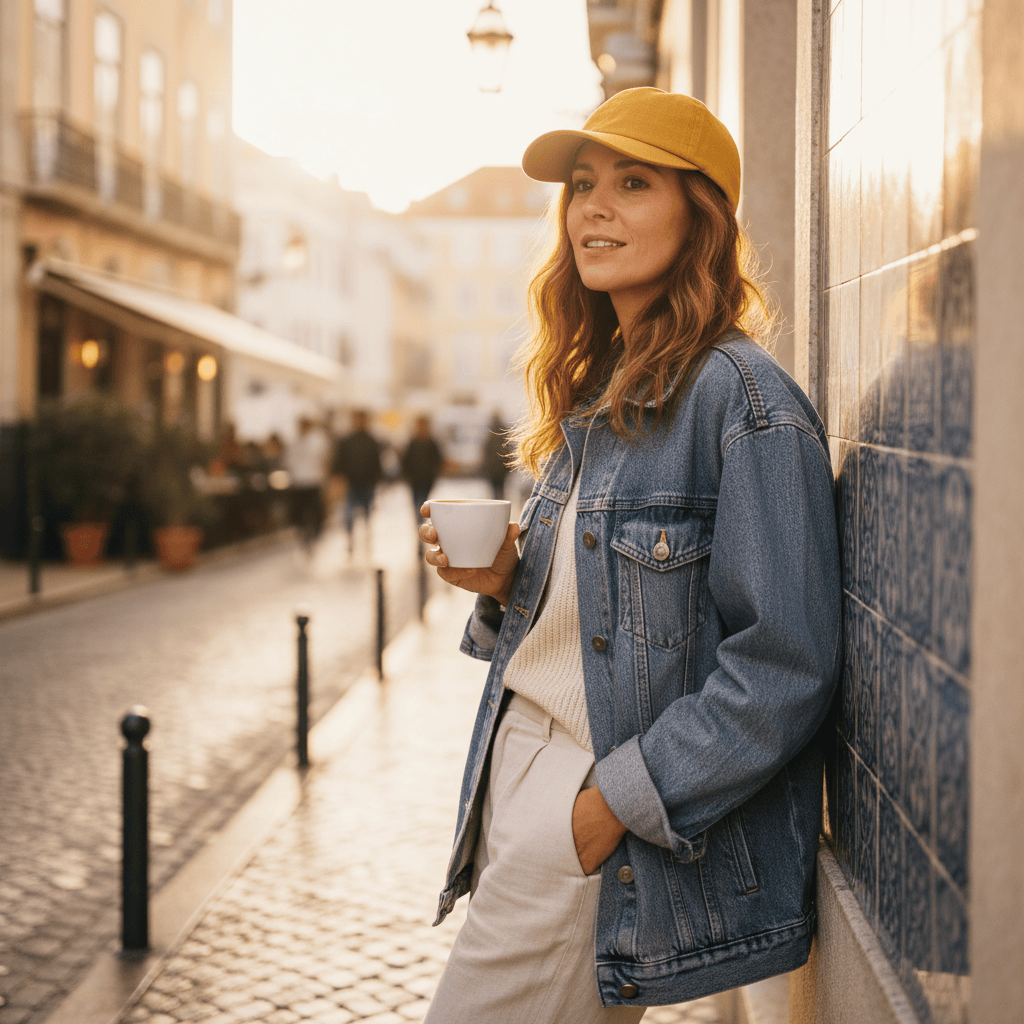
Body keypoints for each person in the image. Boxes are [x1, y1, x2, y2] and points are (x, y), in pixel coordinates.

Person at [417, 88, 841, 1022]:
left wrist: (608, 806)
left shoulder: (744, 404)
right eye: (582, 185)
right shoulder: (607, 386)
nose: (593, 209)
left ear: (701, 217)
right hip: (521, 780)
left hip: (590, 807)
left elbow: (786, 664)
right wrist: (505, 585)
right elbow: (607, 619)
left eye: (634, 183)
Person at [331, 409, 382, 554]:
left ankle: (367, 538)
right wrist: (338, 478)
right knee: (349, 516)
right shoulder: (346, 441)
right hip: (351, 484)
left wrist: (376, 480)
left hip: (368, 484)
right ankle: (350, 540)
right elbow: (339, 462)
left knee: (368, 515)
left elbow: (377, 463)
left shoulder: (372, 441)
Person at [283, 415, 329, 547]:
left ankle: (316, 531)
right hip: (297, 481)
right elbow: (288, 460)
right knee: (298, 509)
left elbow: (325, 459)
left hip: (313, 480)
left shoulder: (318, 440)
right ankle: (301, 530)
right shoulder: (293, 441)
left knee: (315, 509)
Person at [401, 414, 445, 517]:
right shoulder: (412, 443)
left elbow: (438, 460)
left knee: (424, 500)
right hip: (415, 480)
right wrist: (408, 475)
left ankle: (421, 518)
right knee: (416, 501)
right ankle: (418, 519)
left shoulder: (432, 443)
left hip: (427, 479)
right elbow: (405, 460)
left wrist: (433, 473)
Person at [480, 412, 511, 500]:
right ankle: (500, 500)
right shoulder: (504, 433)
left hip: (493, 469)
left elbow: (486, 452)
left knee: (494, 489)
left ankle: (496, 500)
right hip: (502, 468)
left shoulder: (490, 434)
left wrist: (485, 467)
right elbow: (508, 451)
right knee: (501, 488)